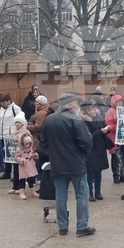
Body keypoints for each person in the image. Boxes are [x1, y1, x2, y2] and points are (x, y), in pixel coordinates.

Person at [43, 93, 95, 236]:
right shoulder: (76, 120)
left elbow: (43, 140)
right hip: (76, 163)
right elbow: (86, 141)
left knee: (60, 195)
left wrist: (53, 152)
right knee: (82, 194)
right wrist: (83, 154)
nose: (78, 106)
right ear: (71, 104)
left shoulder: (49, 120)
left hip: (57, 163)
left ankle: (63, 226)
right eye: (76, 104)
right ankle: (82, 226)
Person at [80, 102, 113, 201]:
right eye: (93, 109)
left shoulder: (99, 118)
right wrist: (100, 131)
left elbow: (104, 127)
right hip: (91, 149)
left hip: (100, 148)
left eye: (96, 109)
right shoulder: (85, 121)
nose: (96, 111)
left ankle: (98, 192)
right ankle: (90, 193)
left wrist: (108, 129)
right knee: (90, 172)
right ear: (88, 111)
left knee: (99, 172)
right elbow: (88, 135)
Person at [0, 93, 23, 181]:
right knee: (6, 155)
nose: (2, 104)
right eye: (1, 102)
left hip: (12, 136)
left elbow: (21, 119)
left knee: (14, 155)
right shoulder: (1, 109)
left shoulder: (16, 108)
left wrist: (16, 132)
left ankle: (16, 174)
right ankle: (7, 172)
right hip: (4, 135)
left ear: (9, 101)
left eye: (4, 102)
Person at [14, 132, 40, 200]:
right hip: (23, 167)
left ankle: (33, 191)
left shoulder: (30, 148)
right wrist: (21, 160)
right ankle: (21, 192)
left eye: (29, 143)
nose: (28, 145)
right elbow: (16, 158)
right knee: (22, 180)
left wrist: (35, 155)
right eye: (26, 144)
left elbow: (32, 155)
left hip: (31, 165)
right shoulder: (19, 150)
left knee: (31, 179)